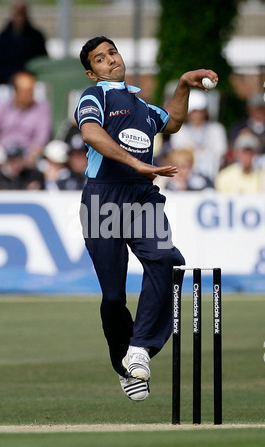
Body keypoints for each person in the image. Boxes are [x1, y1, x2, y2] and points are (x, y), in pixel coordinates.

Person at [73, 36, 218, 401]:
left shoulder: (144, 106)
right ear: (93, 72)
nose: (110, 60)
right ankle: (124, 366)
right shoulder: (96, 97)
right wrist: (137, 162)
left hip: (141, 197)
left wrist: (184, 84)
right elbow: (90, 132)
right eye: (100, 59)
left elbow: (173, 122)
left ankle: (140, 348)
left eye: (112, 53)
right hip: (103, 198)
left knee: (168, 260)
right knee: (113, 297)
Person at [0, 71, 52, 167]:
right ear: (15, 91)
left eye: (31, 91)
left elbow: (41, 138)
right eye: (25, 91)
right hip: (0, 157)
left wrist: (31, 155)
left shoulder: (41, 109)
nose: (29, 95)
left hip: (26, 159)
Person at [170, 89, 228, 183]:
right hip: (186, 177)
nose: (197, 115)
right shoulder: (180, 131)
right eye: (194, 111)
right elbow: (178, 156)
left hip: (212, 174)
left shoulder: (216, 130)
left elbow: (221, 153)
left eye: (200, 111)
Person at [0, 1, 48, 85]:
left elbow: (42, 62)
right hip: (9, 82)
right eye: (17, 14)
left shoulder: (36, 37)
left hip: (31, 82)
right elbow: (1, 65)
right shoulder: (4, 37)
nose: (20, 18)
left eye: (22, 14)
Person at [228, 91, 265, 158]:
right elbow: (232, 149)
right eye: (256, 108)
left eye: (262, 108)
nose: (260, 111)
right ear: (249, 109)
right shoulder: (239, 127)